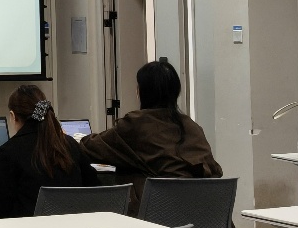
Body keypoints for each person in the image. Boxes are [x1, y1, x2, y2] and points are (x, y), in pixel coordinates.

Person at [79, 60, 223, 214]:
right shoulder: (192, 127)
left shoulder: (136, 124)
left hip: (158, 218)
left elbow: (89, 148)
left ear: (142, 91)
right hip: (206, 216)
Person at [0, 85, 99, 218]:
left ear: (13, 116)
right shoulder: (69, 144)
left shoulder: (8, 151)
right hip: (73, 226)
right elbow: (93, 187)